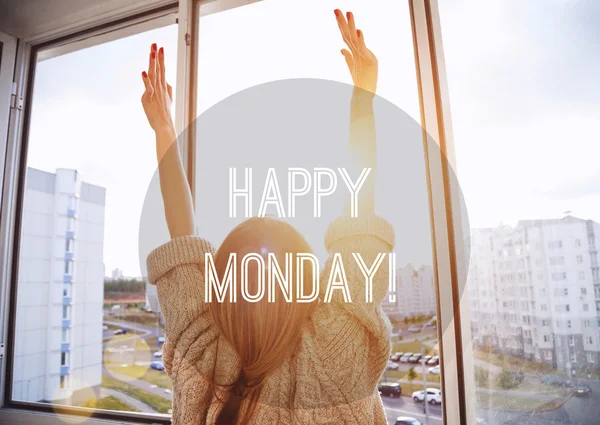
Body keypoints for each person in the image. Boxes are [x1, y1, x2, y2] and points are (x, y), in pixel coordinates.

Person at [141, 9, 395, 425]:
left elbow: (181, 235)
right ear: (308, 280)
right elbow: (359, 210)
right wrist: (362, 97)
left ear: (221, 284)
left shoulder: (200, 353)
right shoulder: (336, 350)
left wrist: (165, 130)